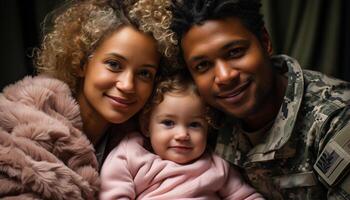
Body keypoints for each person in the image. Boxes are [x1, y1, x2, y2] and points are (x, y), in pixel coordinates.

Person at [169, 0, 350, 199]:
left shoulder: (336, 120)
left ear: (265, 41)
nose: (224, 76)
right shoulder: (202, 120)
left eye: (235, 52)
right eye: (203, 65)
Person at [0, 0, 177, 199]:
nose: (127, 85)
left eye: (144, 73)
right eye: (114, 64)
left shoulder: (141, 145)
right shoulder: (21, 128)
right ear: (81, 63)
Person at [99, 73, 265, 200]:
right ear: (146, 126)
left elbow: (246, 196)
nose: (182, 135)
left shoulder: (216, 164)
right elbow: (112, 194)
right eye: (168, 123)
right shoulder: (131, 153)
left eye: (194, 125)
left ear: (208, 129)